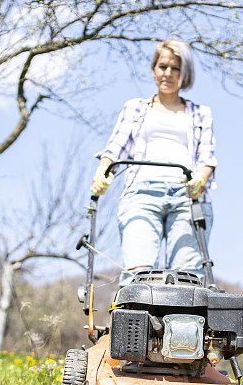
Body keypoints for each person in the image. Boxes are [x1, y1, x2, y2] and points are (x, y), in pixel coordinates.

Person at [91, 38, 217, 287]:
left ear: (185, 74)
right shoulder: (135, 108)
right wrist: (102, 171)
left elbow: (207, 158)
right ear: (153, 69)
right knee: (138, 276)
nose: (168, 73)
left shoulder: (201, 113)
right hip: (141, 194)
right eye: (162, 67)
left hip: (187, 198)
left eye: (175, 68)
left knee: (187, 279)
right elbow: (115, 147)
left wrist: (200, 178)